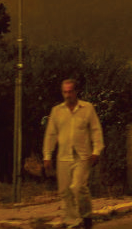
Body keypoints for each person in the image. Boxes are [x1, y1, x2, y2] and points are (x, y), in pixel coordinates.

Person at [43, 79, 104, 229]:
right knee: (64, 191)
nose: (67, 95)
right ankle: (73, 222)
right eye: (65, 92)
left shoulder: (87, 108)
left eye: (70, 91)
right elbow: (51, 134)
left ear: (76, 92)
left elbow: (96, 130)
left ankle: (86, 215)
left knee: (77, 187)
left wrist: (97, 151)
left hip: (82, 156)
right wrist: (47, 156)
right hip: (63, 156)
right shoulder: (57, 111)